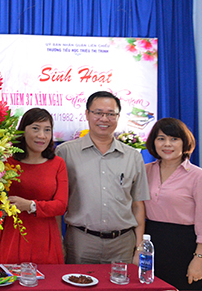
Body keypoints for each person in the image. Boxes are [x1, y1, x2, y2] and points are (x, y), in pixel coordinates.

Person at [56, 91, 149, 264]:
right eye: (98, 113)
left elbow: (137, 204)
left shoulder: (133, 156)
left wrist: (139, 247)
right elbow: (57, 203)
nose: (104, 119)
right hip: (80, 242)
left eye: (110, 114)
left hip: (123, 244)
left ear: (118, 116)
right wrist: (57, 242)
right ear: (87, 114)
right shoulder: (65, 152)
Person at [143, 118, 202, 290]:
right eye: (161, 138)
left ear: (184, 143)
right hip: (152, 242)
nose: (167, 144)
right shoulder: (145, 171)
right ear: (153, 142)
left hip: (185, 245)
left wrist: (200, 259)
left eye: (174, 139)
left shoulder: (199, 176)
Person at [0, 108, 68, 264]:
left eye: (47, 130)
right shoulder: (6, 163)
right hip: (13, 235)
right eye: (35, 128)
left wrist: (30, 205)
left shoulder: (58, 164)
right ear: (23, 131)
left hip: (46, 237)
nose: (41, 135)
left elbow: (61, 206)